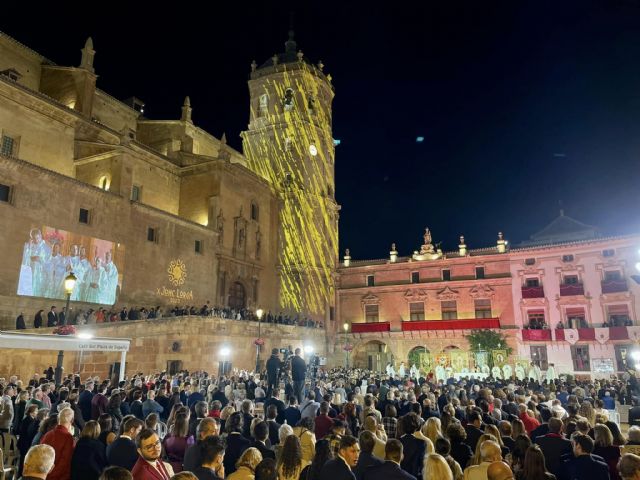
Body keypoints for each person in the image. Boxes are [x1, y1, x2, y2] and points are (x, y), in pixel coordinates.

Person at [40, 407, 75, 480]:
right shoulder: (68, 438)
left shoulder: (48, 434)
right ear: (72, 421)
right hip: (60, 477)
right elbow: (65, 462)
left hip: (44, 474)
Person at [399, 414, 426, 478]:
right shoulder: (421, 443)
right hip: (415, 476)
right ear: (416, 426)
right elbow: (422, 464)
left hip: (400, 476)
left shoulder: (398, 441)